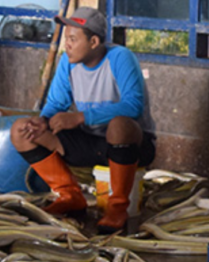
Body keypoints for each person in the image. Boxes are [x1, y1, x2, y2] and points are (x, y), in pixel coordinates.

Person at [10, 7, 154, 233]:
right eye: (66, 38)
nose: (66, 44)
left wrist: (80, 117)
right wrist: (43, 121)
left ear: (94, 41)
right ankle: (70, 196)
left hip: (132, 145)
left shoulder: (120, 58)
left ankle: (117, 208)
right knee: (21, 130)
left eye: (73, 39)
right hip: (89, 142)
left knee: (119, 126)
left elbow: (133, 106)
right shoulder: (68, 62)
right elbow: (56, 104)